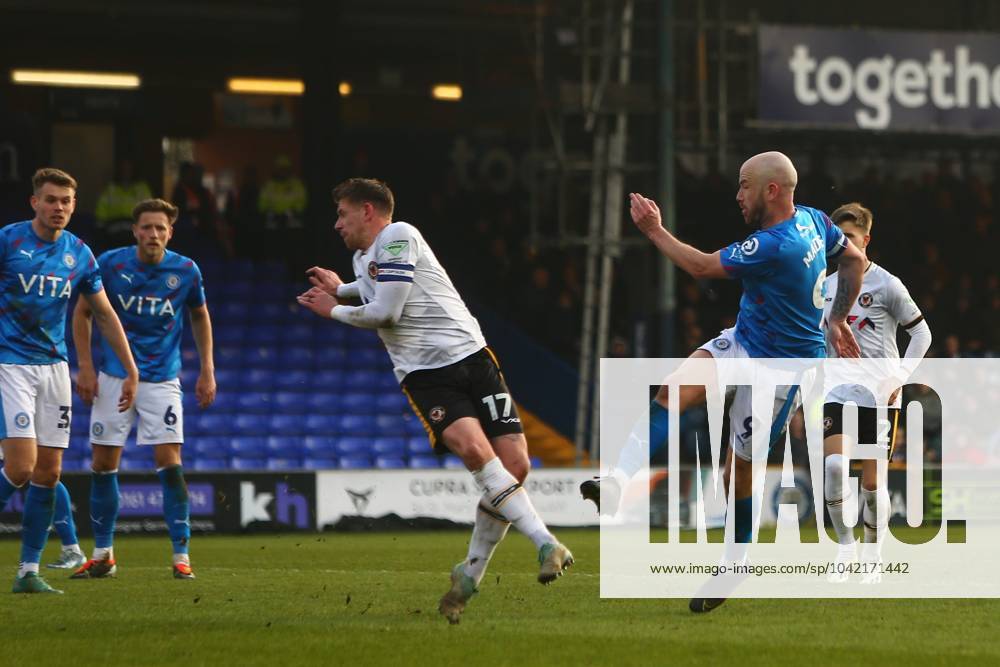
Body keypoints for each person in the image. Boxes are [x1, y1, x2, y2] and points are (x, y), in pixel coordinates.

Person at [578, 151, 867, 612]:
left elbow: (699, 267)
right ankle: (615, 480)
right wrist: (836, 319)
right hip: (745, 341)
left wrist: (653, 229)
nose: (738, 195)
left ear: (771, 191)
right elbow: (854, 260)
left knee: (739, 473)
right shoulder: (813, 220)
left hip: (780, 372)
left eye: (744, 185)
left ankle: (737, 561)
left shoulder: (776, 244)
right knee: (673, 388)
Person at [297, 178, 573, 625]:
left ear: (368, 211)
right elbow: (373, 290)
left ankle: (468, 575)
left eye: (342, 214)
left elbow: (386, 312)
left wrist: (332, 310)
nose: (336, 224)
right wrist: (343, 289)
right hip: (427, 377)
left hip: (472, 356)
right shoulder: (363, 258)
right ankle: (546, 542)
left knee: (516, 466)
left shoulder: (398, 234)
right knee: (476, 453)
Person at [0, 167, 138, 594]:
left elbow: (104, 313)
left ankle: (27, 572)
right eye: (51, 200)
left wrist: (131, 369)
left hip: (54, 369)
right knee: (20, 469)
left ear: (74, 206)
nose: (58, 207)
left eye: (66, 201)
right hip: (11, 364)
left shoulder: (79, 253)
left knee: (48, 472)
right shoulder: (8, 240)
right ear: (34, 202)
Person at [70, 198, 216, 580]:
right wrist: (85, 366)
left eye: (160, 228)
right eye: (146, 227)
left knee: (169, 463)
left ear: (171, 232)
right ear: (134, 230)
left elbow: (200, 315)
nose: (153, 234)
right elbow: (83, 312)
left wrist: (207, 369)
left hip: (163, 379)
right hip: (113, 377)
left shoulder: (185, 270)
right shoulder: (111, 264)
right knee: (103, 465)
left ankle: (181, 555)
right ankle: (103, 555)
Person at [820, 202, 932, 583]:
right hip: (838, 388)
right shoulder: (825, 285)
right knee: (834, 468)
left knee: (872, 484)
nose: (841, 245)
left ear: (865, 240)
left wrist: (899, 376)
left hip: (880, 395)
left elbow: (921, 333)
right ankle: (845, 547)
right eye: (836, 238)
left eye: (848, 238)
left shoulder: (887, 284)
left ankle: (874, 554)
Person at [95, 159, 152, 251]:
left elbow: (149, 212)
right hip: (113, 232)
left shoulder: (142, 189)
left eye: (129, 169)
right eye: (123, 169)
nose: (126, 172)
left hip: (136, 231)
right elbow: (100, 213)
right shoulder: (111, 189)